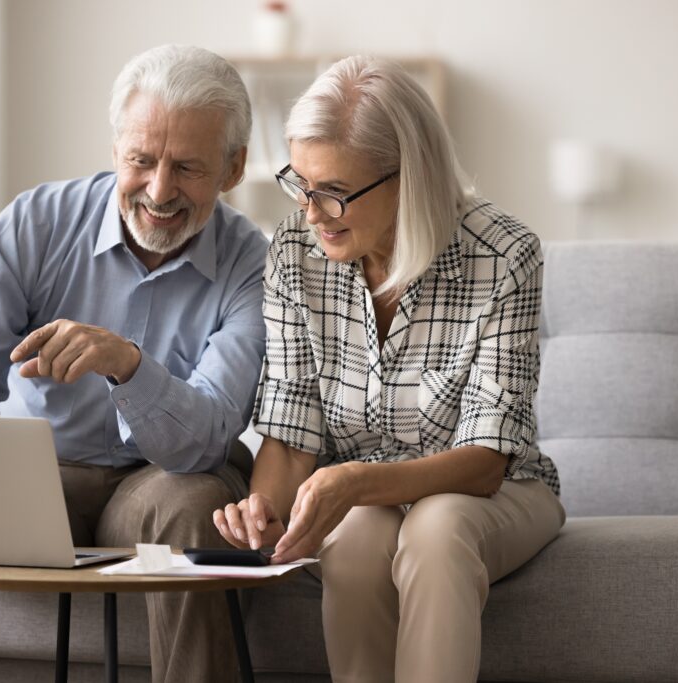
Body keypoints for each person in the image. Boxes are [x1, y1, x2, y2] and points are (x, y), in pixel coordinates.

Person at [0, 45, 268, 683]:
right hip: (33, 469)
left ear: (234, 167)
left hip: (160, 480)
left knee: (197, 507)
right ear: (116, 151)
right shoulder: (37, 222)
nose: (159, 190)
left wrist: (129, 365)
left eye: (188, 167)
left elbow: (212, 432)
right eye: (141, 160)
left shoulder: (254, 265)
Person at [213, 56, 565, 683]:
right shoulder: (294, 251)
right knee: (355, 537)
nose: (312, 211)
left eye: (335, 191)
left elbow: (486, 463)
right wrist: (262, 507)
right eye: (301, 181)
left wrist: (352, 481)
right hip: (361, 505)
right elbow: (291, 428)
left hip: (499, 492)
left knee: (438, 525)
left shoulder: (506, 255)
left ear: (409, 178)